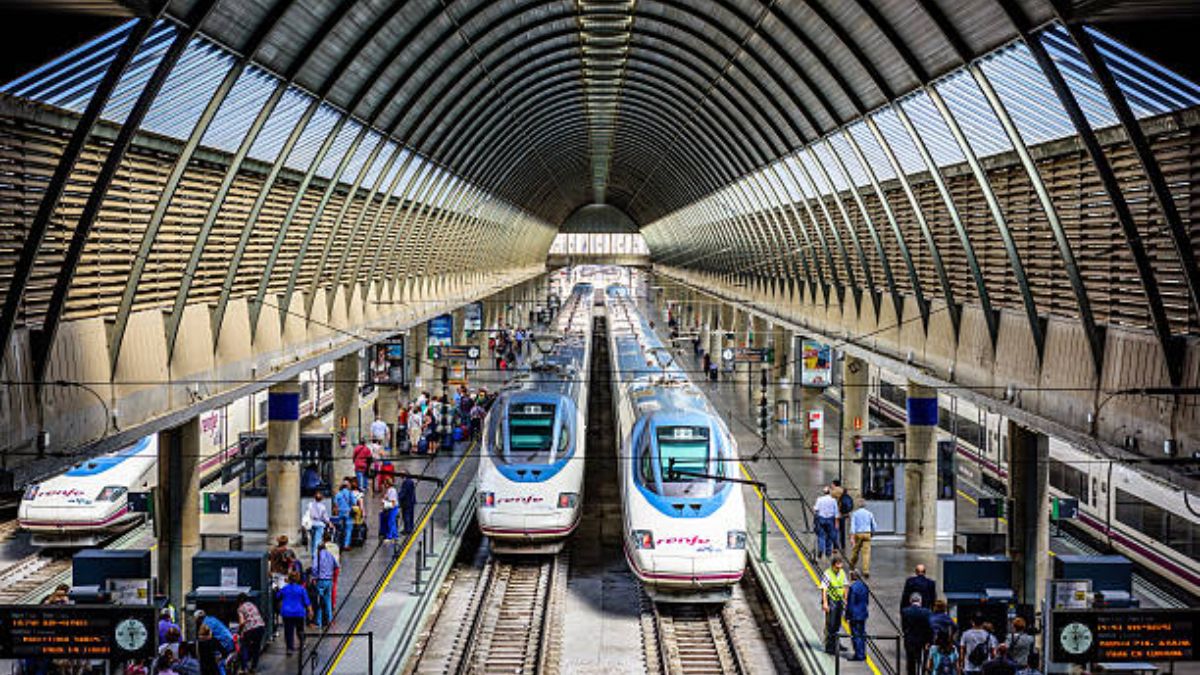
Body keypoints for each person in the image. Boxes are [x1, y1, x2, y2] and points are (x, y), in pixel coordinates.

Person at [277, 570, 311, 655]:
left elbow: (278, 596)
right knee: (300, 629)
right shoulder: (301, 589)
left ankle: (289, 648)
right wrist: (310, 611)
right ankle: (302, 644)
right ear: (298, 579)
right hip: (299, 612)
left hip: (287, 613)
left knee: (288, 631)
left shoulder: (285, 589)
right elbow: (307, 602)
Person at [821, 557, 848, 655]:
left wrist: (846, 598)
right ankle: (829, 646)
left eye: (840, 567)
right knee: (830, 624)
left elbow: (845, 585)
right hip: (831, 600)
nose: (839, 569)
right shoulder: (827, 574)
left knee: (837, 623)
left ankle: (836, 643)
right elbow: (824, 589)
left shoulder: (842, 573)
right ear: (833, 566)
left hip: (839, 600)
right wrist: (825, 603)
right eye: (837, 567)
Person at [901, 593, 933, 675]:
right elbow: (929, 628)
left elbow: (904, 627)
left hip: (910, 641)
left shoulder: (905, 611)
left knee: (910, 661)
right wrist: (929, 641)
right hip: (922, 641)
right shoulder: (927, 612)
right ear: (920, 601)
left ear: (910, 601)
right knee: (921, 661)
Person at [235, 593, 265, 673]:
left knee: (244, 647)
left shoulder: (240, 608)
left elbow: (242, 622)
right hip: (260, 627)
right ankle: (253, 667)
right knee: (256, 648)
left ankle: (243, 668)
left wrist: (239, 631)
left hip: (250, 629)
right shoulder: (252, 605)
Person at [845, 569, 870, 662]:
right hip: (863, 613)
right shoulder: (864, 586)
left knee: (855, 634)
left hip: (855, 615)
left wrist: (847, 615)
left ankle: (858, 655)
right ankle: (862, 653)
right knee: (862, 634)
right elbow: (867, 601)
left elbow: (850, 603)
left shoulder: (853, 587)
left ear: (854, 576)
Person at [313, 539, 339, 628]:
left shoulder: (318, 556)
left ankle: (319, 622)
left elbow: (314, 568)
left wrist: (315, 577)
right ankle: (330, 620)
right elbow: (336, 565)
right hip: (329, 580)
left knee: (319, 601)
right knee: (328, 601)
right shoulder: (330, 555)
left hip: (321, 580)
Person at [848, 499, 877, 577]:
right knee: (866, 553)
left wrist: (852, 536)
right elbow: (874, 525)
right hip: (867, 533)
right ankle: (866, 571)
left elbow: (853, 526)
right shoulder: (869, 513)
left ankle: (852, 565)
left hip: (858, 534)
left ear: (858, 505)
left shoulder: (855, 514)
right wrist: (872, 532)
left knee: (855, 551)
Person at [813, 486, 839, 559]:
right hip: (830, 520)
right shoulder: (833, 500)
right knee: (829, 536)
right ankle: (828, 552)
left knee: (821, 535)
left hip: (821, 519)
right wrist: (836, 523)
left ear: (824, 493)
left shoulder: (819, 499)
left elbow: (816, 509)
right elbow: (836, 512)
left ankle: (821, 549)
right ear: (829, 492)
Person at [306, 491, 332, 561]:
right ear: (322, 498)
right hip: (319, 524)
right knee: (317, 540)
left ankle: (312, 553)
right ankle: (315, 555)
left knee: (312, 540)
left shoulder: (310, 504)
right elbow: (325, 517)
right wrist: (329, 523)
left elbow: (308, 514)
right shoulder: (322, 507)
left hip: (311, 524)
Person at [334, 480, 356, 551]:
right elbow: (354, 502)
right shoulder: (350, 493)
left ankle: (339, 542)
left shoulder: (338, 494)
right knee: (348, 529)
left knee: (340, 528)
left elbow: (335, 504)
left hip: (340, 512)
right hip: (348, 512)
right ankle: (346, 544)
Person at [398, 471, 417, 536]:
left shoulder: (406, 482)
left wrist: (398, 497)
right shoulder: (410, 481)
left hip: (406, 502)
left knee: (406, 516)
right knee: (410, 515)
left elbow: (403, 492)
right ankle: (410, 528)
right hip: (411, 501)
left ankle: (407, 529)